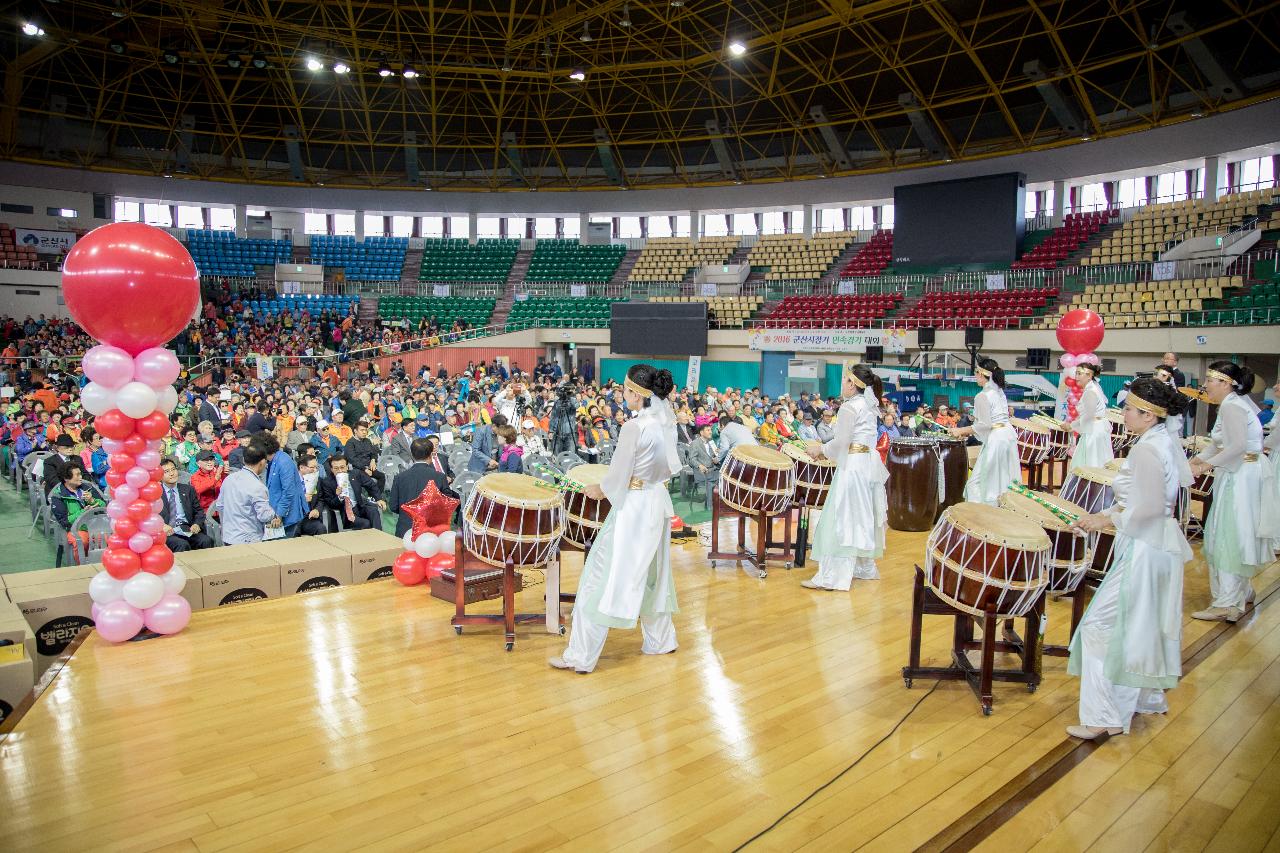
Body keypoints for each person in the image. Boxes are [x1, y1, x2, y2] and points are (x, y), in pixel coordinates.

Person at [1066, 377, 1192, 740]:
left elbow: (1148, 508)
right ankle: (1135, 698)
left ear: (1149, 416)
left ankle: (1103, 716)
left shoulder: (1148, 449)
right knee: (1136, 627)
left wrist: (1102, 519)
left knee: (1098, 628)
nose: (1123, 413)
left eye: (1129, 409)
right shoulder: (1164, 441)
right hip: (1156, 544)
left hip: (1145, 548)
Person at [551, 364, 680, 674]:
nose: (621, 394)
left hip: (634, 509)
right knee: (652, 575)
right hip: (657, 503)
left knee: (601, 576)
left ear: (636, 394)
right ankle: (661, 640)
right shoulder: (666, 421)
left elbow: (618, 476)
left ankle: (581, 655)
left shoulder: (634, 427)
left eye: (625, 390)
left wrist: (599, 488)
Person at [1189, 362, 1278, 621]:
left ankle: (1227, 602)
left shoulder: (1232, 406)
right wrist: (1194, 461)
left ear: (1226, 383)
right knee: (1230, 531)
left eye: (1210, 380)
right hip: (1239, 472)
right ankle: (1241, 590)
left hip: (1242, 475)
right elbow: (1220, 445)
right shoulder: (1233, 404)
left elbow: (1238, 446)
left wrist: (1206, 465)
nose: (1205, 385)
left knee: (1228, 533)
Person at [802, 364, 889, 590]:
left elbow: (842, 442)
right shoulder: (869, 406)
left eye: (845, 380)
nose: (842, 384)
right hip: (867, 464)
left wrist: (819, 450)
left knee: (841, 515)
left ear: (853, 384)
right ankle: (863, 567)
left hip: (853, 466)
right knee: (861, 515)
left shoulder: (850, 408)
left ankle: (832, 576)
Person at [949, 357, 1019, 506]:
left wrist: (960, 430)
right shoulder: (999, 392)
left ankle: (982, 517)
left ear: (981, 374)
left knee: (979, 483)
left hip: (997, 439)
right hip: (1008, 436)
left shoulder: (982, 395)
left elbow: (984, 425)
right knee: (1003, 480)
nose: (975, 376)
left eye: (976, 372)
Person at [212, 444, 282, 545]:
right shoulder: (258, 486)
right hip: (249, 539)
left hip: (229, 536)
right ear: (262, 462)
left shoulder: (229, 479)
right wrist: (275, 514)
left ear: (244, 460)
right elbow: (264, 516)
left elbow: (220, 505)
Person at [387, 438, 456, 537]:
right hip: (431, 532)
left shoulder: (399, 477)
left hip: (405, 531)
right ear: (430, 454)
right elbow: (446, 504)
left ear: (412, 454)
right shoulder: (439, 477)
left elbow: (393, 506)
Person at [255, 433, 307, 537]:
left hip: (287, 514)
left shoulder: (284, 461)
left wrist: (279, 515)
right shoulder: (273, 461)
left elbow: (288, 491)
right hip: (276, 512)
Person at [158, 458, 214, 551]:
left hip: (186, 529)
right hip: (168, 531)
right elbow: (149, 516)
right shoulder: (156, 493)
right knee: (182, 545)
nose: (172, 473)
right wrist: (161, 526)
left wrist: (196, 524)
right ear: (159, 476)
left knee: (206, 540)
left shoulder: (188, 489)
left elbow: (199, 511)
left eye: (173, 469)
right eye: (166, 471)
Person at [1069, 361, 1115, 470]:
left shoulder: (1090, 391)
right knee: (1098, 461)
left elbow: (1088, 416)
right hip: (1097, 428)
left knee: (1090, 464)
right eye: (1076, 373)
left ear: (1089, 376)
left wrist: (1071, 426)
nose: (1076, 377)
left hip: (1094, 431)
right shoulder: (1093, 388)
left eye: (1080, 374)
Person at [1152, 365, 1185, 440]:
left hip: (1163, 426)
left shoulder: (1167, 391)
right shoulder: (1157, 388)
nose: (1154, 376)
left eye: (1157, 374)